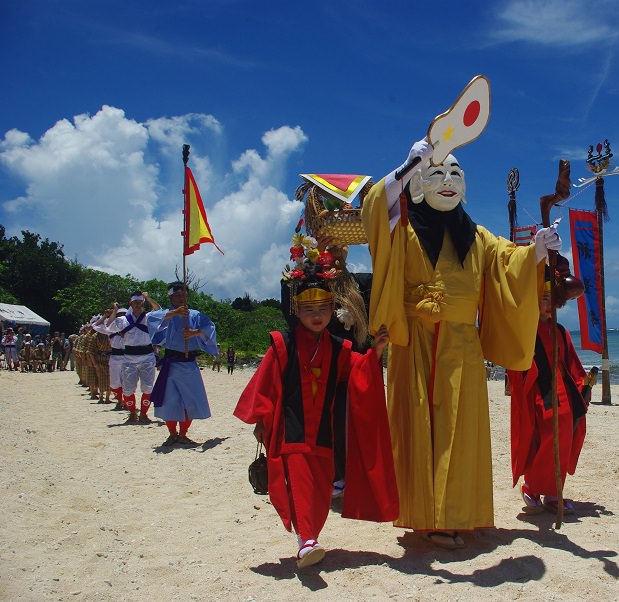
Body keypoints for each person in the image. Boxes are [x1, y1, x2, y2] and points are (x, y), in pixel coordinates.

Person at [361, 139, 561, 548]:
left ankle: (455, 513)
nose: (448, 180)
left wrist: (537, 249)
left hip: (461, 345)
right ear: (418, 184)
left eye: (455, 173)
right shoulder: (403, 225)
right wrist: (407, 165)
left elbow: (510, 263)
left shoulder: (478, 235)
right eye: (436, 173)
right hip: (414, 341)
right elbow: (374, 211)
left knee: (458, 428)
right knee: (418, 425)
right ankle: (426, 515)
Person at [234, 239, 396, 569]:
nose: (318, 316)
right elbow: (264, 385)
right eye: (309, 310)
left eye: (323, 309)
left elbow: (359, 370)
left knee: (323, 487)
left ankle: (309, 534)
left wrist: (376, 351)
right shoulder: (282, 345)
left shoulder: (338, 348)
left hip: (324, 430)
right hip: (290, 428)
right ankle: (307, 540)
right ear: (297, 311)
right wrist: (260, 421)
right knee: (301, 481)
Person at [507, 276, 589, 515]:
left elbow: (572, 363)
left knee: (565, 433)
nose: (548, 305)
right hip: (539, 389)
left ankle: (555, 492)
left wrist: (583, 384)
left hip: (563, 389)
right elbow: (517, 362)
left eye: (552, 300)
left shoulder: (561, 332)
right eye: (543, 299)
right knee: (542, 436)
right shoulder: (527, 330)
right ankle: (532, 486)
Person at [147, 282, 217, 447]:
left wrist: (196, 332)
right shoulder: (164, 314)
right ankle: (172, 434)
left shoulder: (195, 315)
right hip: (170, 364)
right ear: (170, 297)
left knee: (190, 399)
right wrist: (174, 314)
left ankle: (183, 434)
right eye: (177, 295)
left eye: (183, 295)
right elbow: (151, 320)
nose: (180, 298)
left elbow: (210, 328)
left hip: (188, 362)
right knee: (170, 400)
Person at [106, 292, 161, 423]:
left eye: (140, 302)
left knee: (148, 388)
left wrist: (148, 298)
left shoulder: (148, 318)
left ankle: (143, 414)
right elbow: (109, 325)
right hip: (129, 358)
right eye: (135, 302)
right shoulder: (123, 320)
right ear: (130, 303)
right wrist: (115, 310)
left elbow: (158, 310)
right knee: (128, 389)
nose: (137, 305)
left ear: (143, 303)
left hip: (147, 357)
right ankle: (132, 413)